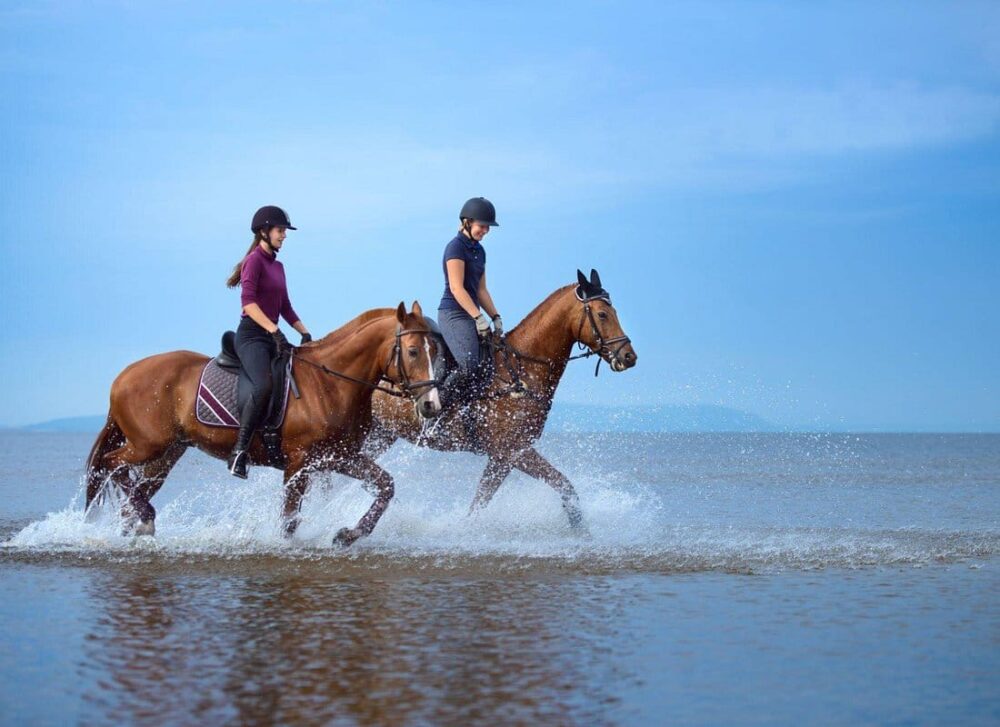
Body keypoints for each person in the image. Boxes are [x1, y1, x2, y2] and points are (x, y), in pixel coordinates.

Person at [224, 205, 312, 478]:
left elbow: (285, 306)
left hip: (272, 335)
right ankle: (239, 451)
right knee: (263, 385)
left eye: (284, 231)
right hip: (252, 337)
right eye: (280, 230)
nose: (284, 236)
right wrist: (274, 331)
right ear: (264, 231)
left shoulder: (278, 267)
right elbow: (249, 304)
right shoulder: (254, 261)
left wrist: (305, 333)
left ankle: (276, 438)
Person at [437, 197, 503, 409]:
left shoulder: (479, 251)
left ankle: (468, 411)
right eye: (482, 226)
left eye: (488, 227)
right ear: (467, 222)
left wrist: (495, 317)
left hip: (472, 314)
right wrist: (478, 317)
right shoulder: (455, 248)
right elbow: (457, 288)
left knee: (488, 365)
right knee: (468, 365)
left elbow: (481, 290)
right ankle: (436, 410)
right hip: (454, 314)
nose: (486, 230)